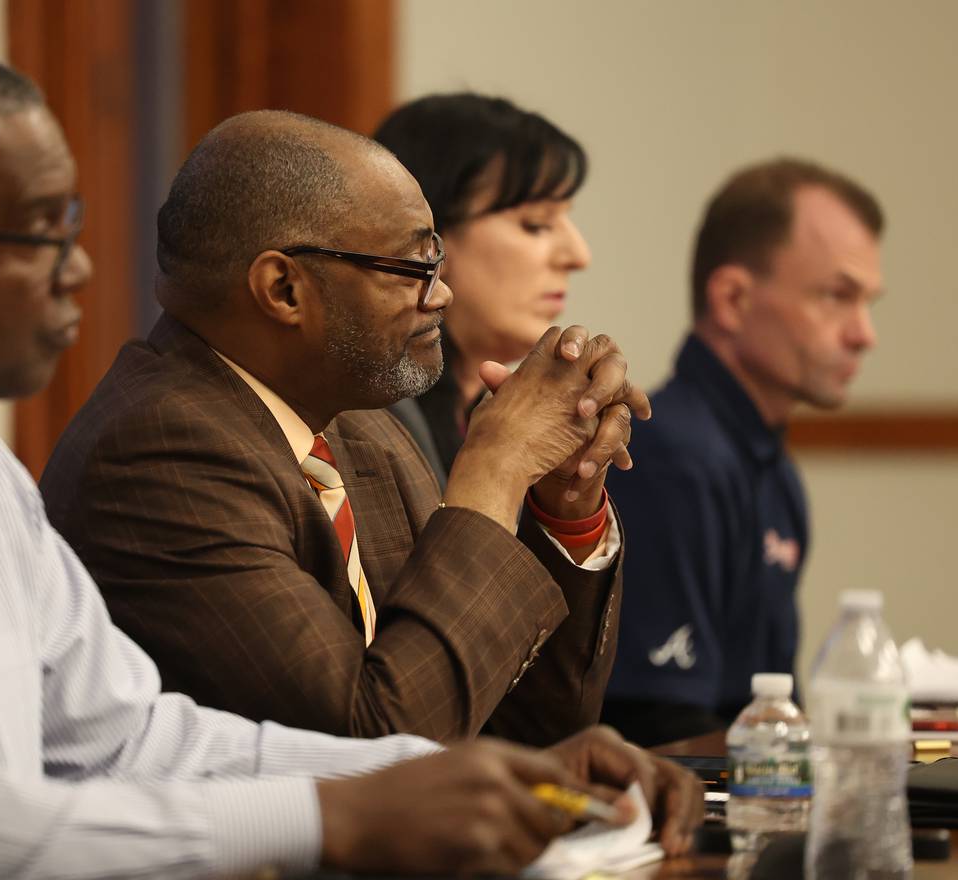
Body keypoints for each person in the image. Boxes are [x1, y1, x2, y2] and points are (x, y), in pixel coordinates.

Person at [0, 42, 702, 880]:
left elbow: (125, 738)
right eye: (36, 235)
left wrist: (480, 779)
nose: (77, 270)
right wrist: (328, 819)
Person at [40, 109, 645, 746]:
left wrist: (563, 504)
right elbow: (377, 748)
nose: (441, 295)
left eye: (437, 262)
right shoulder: (157, 454)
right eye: (413, 268)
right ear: (284, 289)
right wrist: (494, 470)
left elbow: (523, 732)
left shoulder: (360, 425)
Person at [599, 158, 885, 746]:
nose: (864, 334)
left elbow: (767, 706)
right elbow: (654, 731)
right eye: (837, 296)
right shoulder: (673, 459)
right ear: (732, 299)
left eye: (868, 303)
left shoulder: (769, 466)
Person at [373, 93, 593, 486]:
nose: (579, 256)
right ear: (427, 237)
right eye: (536, 224)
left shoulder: (486, 412)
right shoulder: (370, 425)